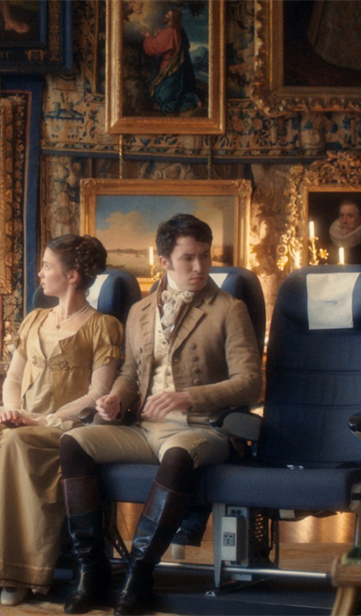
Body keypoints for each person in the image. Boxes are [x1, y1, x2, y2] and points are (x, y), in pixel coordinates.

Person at [58, 214, 262, 616]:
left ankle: (139, 574)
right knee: (74, 442)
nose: (200, 267)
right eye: (188, 258)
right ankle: (92, 570)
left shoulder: (228, 309)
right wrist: (115, 399)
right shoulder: (139, 312)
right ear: (164, 262)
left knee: (177, 455)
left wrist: (188, 397)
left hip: (204, 429)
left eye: (205, 256)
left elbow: (252, 383)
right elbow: (132, 374)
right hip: (144, 428)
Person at [0, 235, 123, 607]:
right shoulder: (34, 319)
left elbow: (97, 395)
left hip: (64, 427)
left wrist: (41, 418)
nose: (41, 274)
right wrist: (10, 410)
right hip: (19, 418)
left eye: (48, 266)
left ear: (74, 275)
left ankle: (15, 572)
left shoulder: (103, 326)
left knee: (14, 444)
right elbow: (13, 378)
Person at [142, 7, 201, 113]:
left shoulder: (169, 31)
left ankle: (191, 99)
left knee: (164, 94)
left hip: (169, 65)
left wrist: (148, 36)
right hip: (173, 64)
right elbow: (164, 42)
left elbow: (156, 46)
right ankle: (192, 99)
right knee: (168, 90)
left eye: (168, 15)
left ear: (173, 18)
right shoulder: (176, 29)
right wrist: (157, 36)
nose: (165, 16)